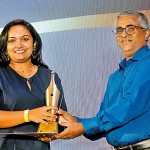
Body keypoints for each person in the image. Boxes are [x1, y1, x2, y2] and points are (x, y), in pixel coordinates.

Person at [55, 10, 150, 150]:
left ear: (146, 33)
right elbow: (105, 118)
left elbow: (129, 106)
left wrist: (82, 127)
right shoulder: (114, 77)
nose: (124, 34)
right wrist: (75, 121)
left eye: (131, 29)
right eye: (119, 30)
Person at [0, 19, 67, 150]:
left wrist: (54, 131)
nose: (19, 45)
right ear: (5, 46)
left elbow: (60, 118)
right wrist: (28, 115)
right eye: (12, 40)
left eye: (25, 39)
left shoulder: (50, 76)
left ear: (34, 43)